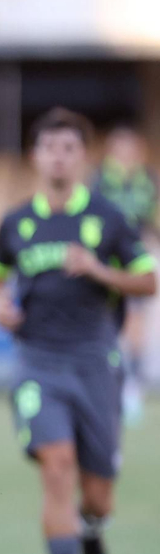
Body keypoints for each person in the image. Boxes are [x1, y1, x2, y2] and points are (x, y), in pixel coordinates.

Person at [0, 108, 156, 554]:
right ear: (35, 156)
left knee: (98, 494)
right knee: (57, 467)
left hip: (96, 362)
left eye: (69, 148)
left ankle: (93, 528)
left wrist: (99, 269)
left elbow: (148, 281)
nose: (58, 157)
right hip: (38, 361)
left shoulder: (109, 218)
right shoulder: (15, 223)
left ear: (82, 157)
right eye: (49, 147)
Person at [89, 123, 159, 426]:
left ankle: (133, 382)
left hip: (137, 261)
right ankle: (110, 381)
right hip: (107, 262)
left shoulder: (148, 180)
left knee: (137, 319)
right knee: (109, 320)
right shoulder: (101, 180)